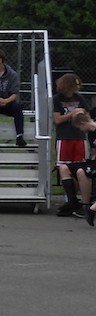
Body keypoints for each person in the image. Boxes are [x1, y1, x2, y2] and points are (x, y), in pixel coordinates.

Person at [52, 73, 94, 217]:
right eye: (75, 84)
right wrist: (71, 114)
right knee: (64, 167)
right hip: (64, 137)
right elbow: (57, 120)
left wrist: (81, 114)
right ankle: (71, 200)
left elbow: (87, 117)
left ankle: (84, 201)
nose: (77, 87)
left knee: (81, 168)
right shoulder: (58, 99)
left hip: (79, 137)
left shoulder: (80, 98)